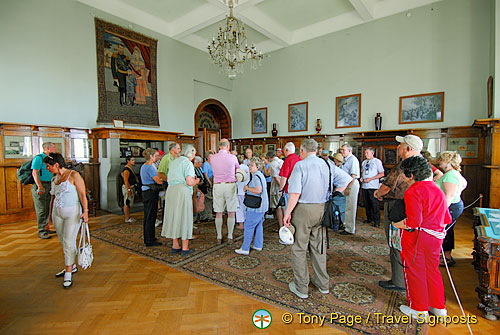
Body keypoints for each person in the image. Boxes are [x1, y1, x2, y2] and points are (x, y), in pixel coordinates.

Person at [284, 139, 351, 299]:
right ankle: (322, 284)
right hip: (323, 209)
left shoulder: (300, 165)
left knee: (299, 248)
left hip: (303, 210)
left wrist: (287, 213)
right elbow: (347, 179)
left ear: (302, 150)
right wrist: (335, 194)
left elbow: (294, 194)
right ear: (316, 149)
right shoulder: (327, 164)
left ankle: (301, 287)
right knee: (319, 247)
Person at [393, 156, 451, 319]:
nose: (402, 177)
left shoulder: (414, 190)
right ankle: (438, 306)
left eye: (404, 174)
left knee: (414, 270)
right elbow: (447, 218)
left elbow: (413, 222)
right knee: (432, 271)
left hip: (419, 237)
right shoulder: (437, 188)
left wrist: (397, 225)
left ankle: (418, 308)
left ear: (411, 175)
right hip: (436, 238)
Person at [374, 134, 423, 292]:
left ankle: (399, 281)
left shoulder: (404, 166)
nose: (398, 148)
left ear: (409, 149)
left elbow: (388, 185)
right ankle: (406, 277)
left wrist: (378, 194)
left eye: (400, 145)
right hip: (413, 207)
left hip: (398, 206)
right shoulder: (423, 164)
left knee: (396, 243)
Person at [44, 153, 89, 288]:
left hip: (72, 213)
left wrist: (85, 212)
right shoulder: (55, 177)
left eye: (48, 166)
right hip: (57, 213)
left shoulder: (74, 176)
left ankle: (68, 273)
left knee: (69, 242)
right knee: (64, 241)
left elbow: (82, 194)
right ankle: (71, 265)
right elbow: (53, 197)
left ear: (56, 165)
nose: (47, 169)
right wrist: (49, 217)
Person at [162, 145, 200, 256]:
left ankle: (175, 245)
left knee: (174, 217)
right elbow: (189, 181)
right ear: (192, 154)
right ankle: (185, 247)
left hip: (171, 191)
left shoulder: (174, 161)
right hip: (182, 191)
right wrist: (196, 181)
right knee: (185, 218)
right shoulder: (188, 163)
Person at [435, 151, 467, 267]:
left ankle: (446, 258)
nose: (439, 162)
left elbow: (449, 196)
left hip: (450, 207)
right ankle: (446, 256)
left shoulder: (451, 175)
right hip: (453, 206)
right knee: (448, 231)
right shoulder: (452, 173)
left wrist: (441, 212)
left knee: (445, 232)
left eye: (442, 160)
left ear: (448, 162)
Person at [235, 157, 269, 255]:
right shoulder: (260, 175)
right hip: (262, 206)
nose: (249, 167)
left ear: (257, 167)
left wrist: (247, 188)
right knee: (258, 225)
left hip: (256, 207)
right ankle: (258, 245)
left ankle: (245, 248)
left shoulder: (256, 177)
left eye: (251, 165)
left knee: (248, 225)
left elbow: (258, 190)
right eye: (249, 165)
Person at [210, 139, 240, 245]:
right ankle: (230, 236)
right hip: (230, 185)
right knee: (231, 211)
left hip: (217, 186)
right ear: (228, 146)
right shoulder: (233, 157)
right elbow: (238, 169)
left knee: (219, 212)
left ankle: (219, 236)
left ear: (219, 147)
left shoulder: (212, 158)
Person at [32, 142, 57, 239]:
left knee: (47, 207)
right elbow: (35, 173)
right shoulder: (38, 158)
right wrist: (40, 186)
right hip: (41, 185)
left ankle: (46, 228)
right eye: (53, 147)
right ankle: (41, 231)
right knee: (41, 209)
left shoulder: (49, 159)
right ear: (47, 148)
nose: (55, 149)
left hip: (48, 185)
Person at [140, 148, 163, 247]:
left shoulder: (144, 166)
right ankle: (149, 240)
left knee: (150, 216)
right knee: (150, 216)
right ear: (151, 156)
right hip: (150, 193)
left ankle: (150, 237)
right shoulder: (149, 167)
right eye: (156, 156)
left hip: (148, 192)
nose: (158, 158)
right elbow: (158, 181)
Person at [360, 148, 384, 227]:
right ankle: (369, 218)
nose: (365, 154)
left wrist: (371, 179)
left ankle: (377, 220)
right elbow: (363, 172)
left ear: (372, 153)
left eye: (367, 153)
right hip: (364, 186)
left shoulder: (377, 161)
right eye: (365, 153)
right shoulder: (364, 162)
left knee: (374, 203)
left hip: (373, 186)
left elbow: (382, 174)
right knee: (366, 203)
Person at [340, 144, 360, 235]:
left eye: (343, 150)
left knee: (351, 206)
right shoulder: (345, 160)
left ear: (349, 151)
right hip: (346, 184)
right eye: (341, 150)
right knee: (347, 205)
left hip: (351, 184)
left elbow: (353, 176)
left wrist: (348, 187)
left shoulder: (353, 159)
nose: (342, 152)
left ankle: (350, 228)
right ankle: (346, 224)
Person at [279, 142, 301, 209]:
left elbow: (284, 178)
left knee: (288, 211)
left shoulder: (287, 160)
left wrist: (280, 190)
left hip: (289, 189)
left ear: (287, 150)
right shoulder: (299, 159)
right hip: (299, 189)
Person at [267, 150, 283, 227]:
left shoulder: (273, 164)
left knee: (278, 208)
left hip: (277, 188)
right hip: (283, 185)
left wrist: (281, 188)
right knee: (283, 207)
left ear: (269, 158)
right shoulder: (281, 161)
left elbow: (276, 178)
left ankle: (281, 227)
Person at [193, 156, 211, 222]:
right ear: (196, 163)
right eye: (200, 162)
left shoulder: (200, 168)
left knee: (202, 202)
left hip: (202, 188)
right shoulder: (193, 169)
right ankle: (195, 218)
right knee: (196, 203)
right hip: (197, 188)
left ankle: (203, 217)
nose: (201, 164)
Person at [121, 156, 138, 223]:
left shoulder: (129, 168)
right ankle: (127, 218)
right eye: (132, 160)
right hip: (128, 187)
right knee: (127, 202)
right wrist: (128, 190)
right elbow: (126, 180)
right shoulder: (126, 170)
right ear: (128, 161)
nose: (134, 161)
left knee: (129, 202)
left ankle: (128, 217)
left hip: (131, 187)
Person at [235, 155, 250, 229]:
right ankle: (247, 222)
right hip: (246, 189)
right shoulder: (247, 167)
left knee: (239, 207)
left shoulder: (236, 169)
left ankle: (241, 224)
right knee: (246, 206)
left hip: (239, 190)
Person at [260, 153, 273, 218]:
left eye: (263, 160)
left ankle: (269, 211)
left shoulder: (269, 165)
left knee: (268, 196)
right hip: (264, 182)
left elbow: (267, 174)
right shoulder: (264, 165)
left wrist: (264, 166)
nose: (262, 161)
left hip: (269, 182)